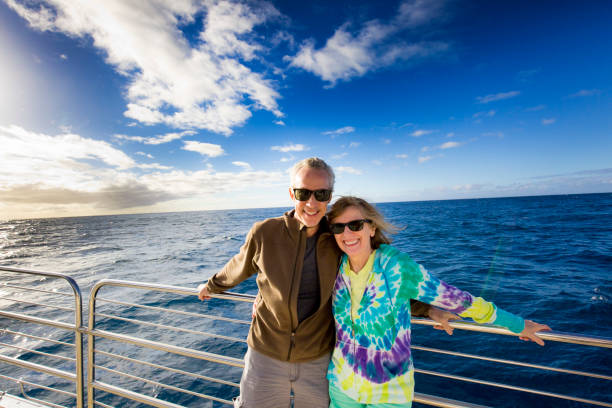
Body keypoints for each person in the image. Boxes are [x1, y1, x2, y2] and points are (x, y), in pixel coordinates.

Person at [197, 158, 453, 408]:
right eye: (303, 193)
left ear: (329, 196)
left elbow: (378, 282)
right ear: (291, 193)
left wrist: (428, 308)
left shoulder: (339, 237)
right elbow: (238, 267)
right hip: (265, 354)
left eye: (321, 194)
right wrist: (211, 286)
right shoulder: (265, 232)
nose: (312, 202)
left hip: (318, 358)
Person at [326, 196, 552, 408]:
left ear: (372, 228)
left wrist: (517, 324)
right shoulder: (336, 267)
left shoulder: (397, 266)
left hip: (388, 390)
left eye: (355, 225)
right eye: (338, 227)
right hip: (342, 385)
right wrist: (429, 311)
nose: (347, 233)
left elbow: (458, 300)